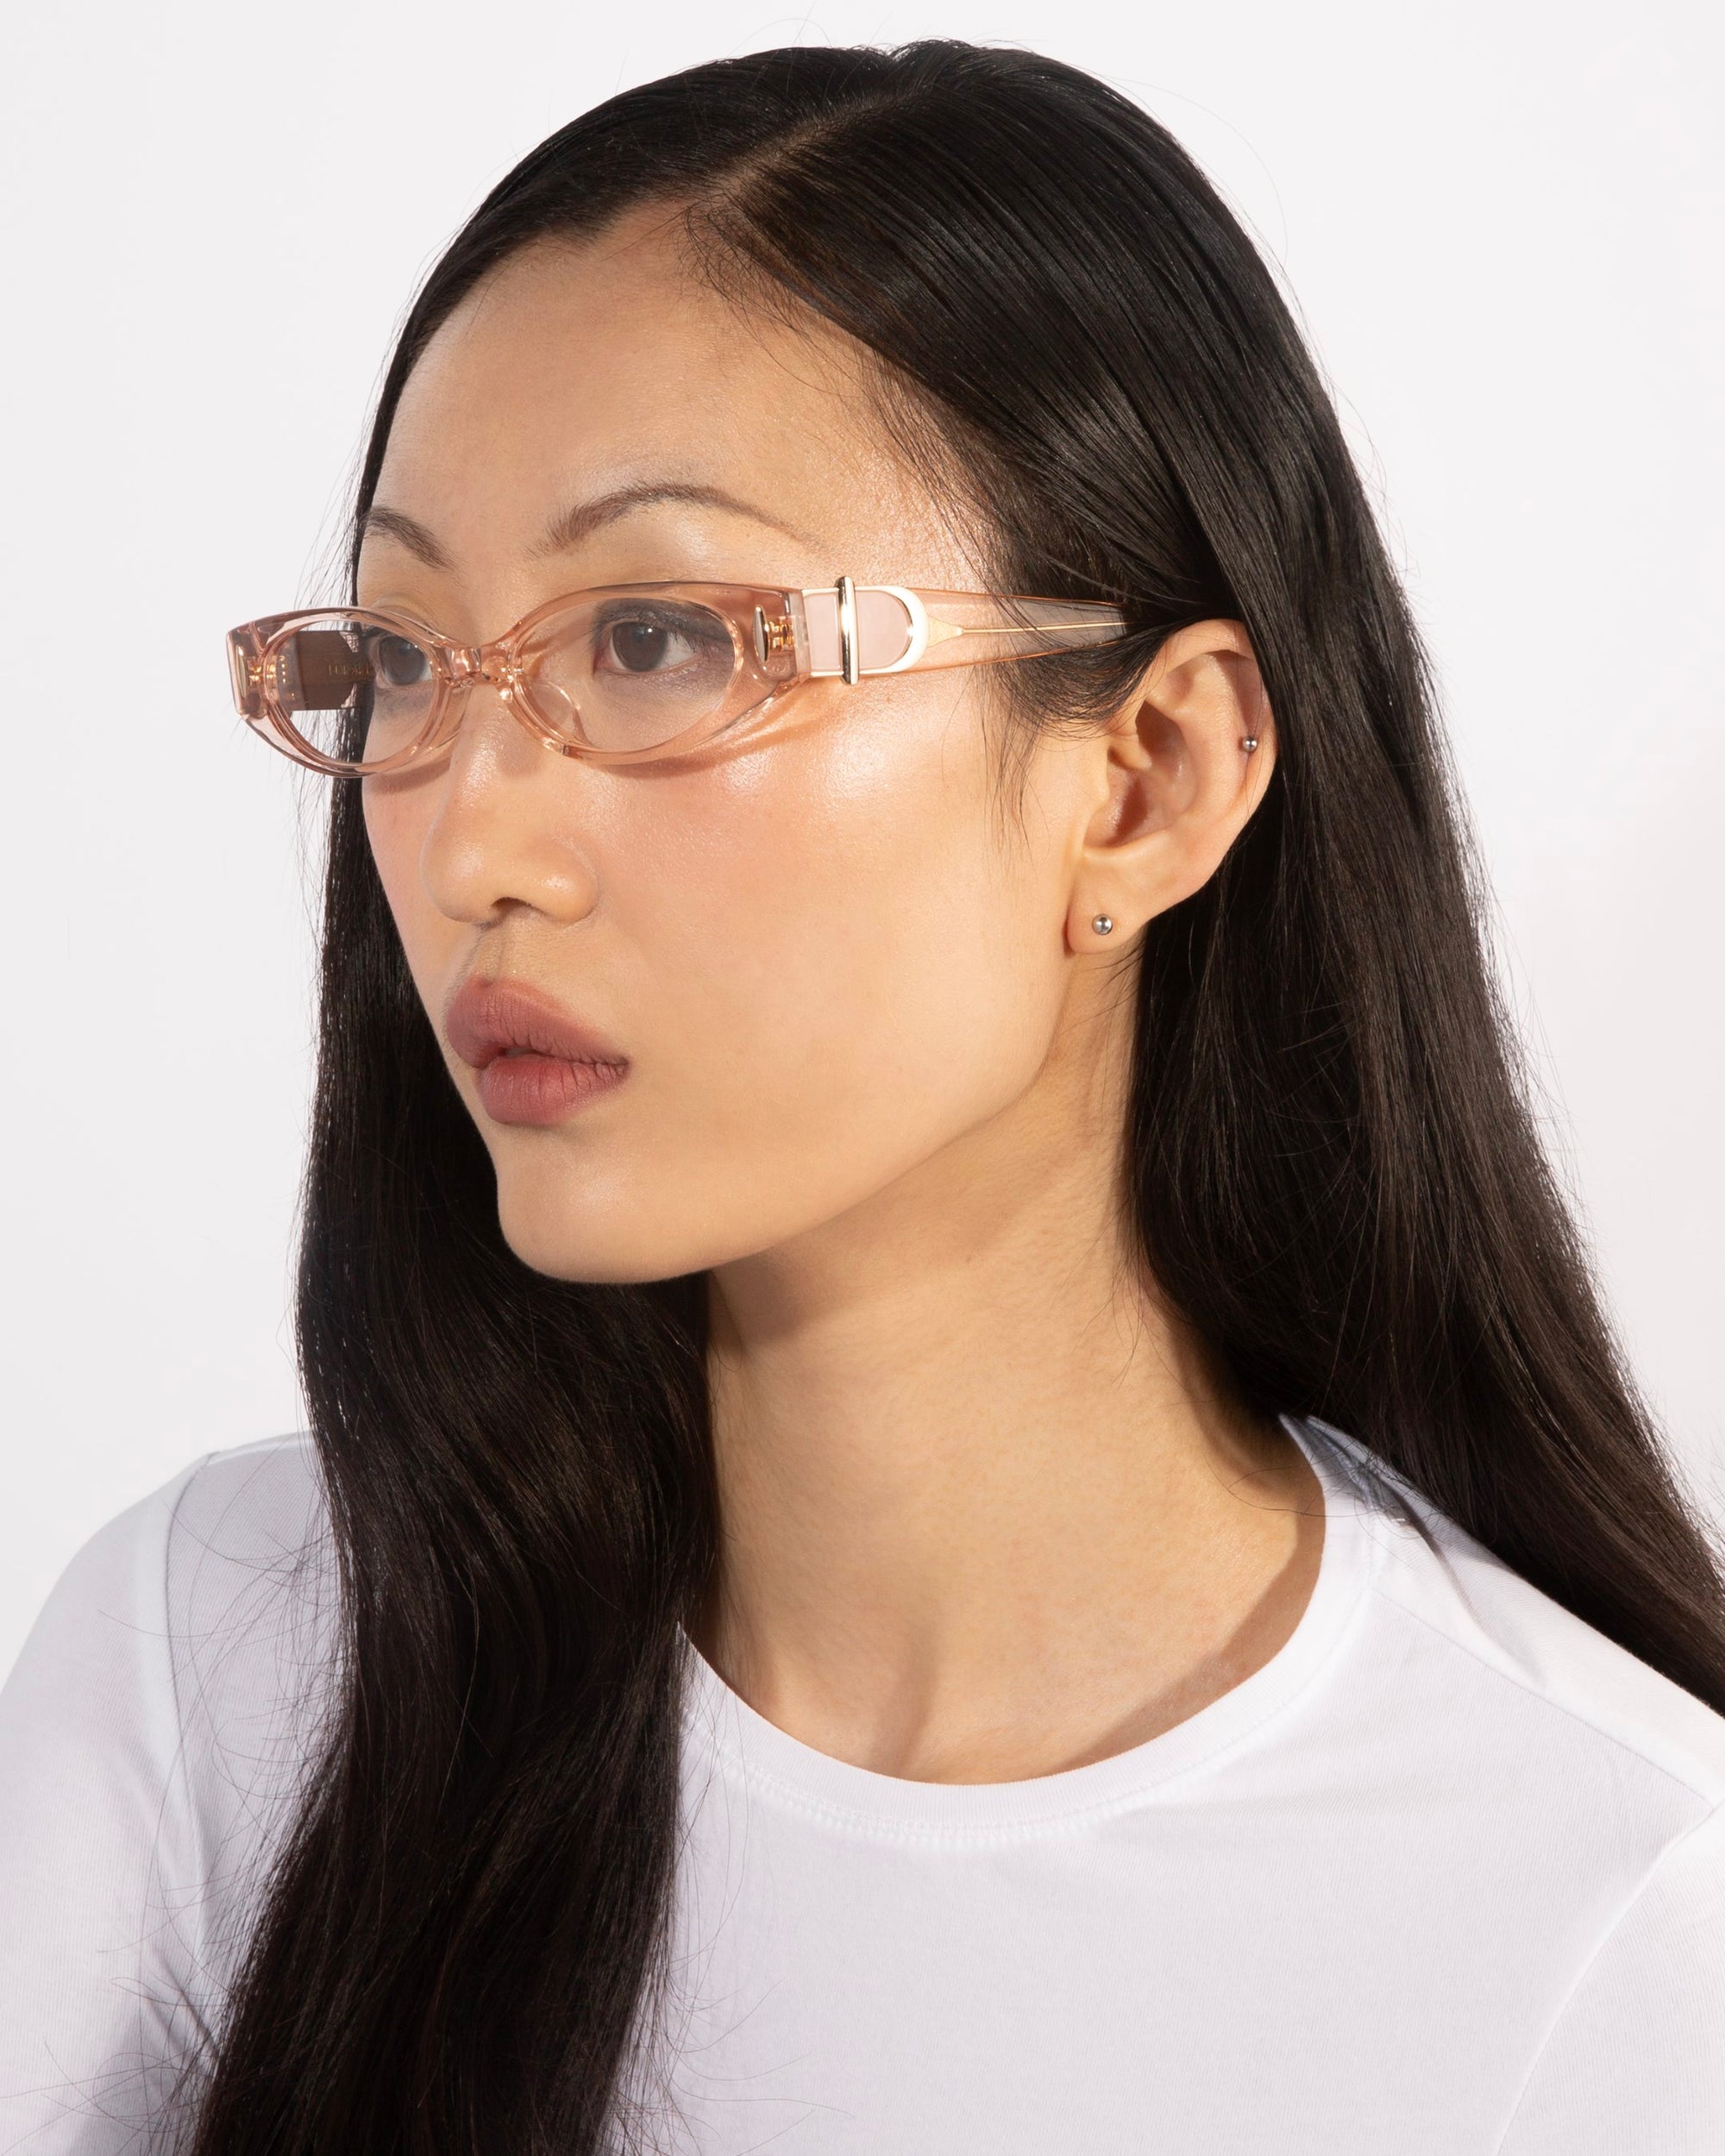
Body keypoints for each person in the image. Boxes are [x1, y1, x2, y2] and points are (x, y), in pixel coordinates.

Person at [2, 39, 1722, 2156]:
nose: (467, 847)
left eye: (655, 639)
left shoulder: (1608, 1914)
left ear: (1146, 777)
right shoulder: (219, 1680)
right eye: (408, 660)